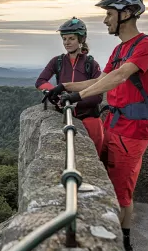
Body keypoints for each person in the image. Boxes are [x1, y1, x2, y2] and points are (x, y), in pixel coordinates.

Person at [45, 0, 148, 251]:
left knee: (122, 189)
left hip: (132, 130)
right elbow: (102, 78)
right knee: (107, 180)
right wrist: (65, 87)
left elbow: (119, 77)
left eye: (109, 14)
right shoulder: (120, 49)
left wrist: (78, 97)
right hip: (114, 123)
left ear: (127, 13)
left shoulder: (146, 46)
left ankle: (123, 241)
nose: (105, 19)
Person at [35, 17, 104, 156]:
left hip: (89, 118)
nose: (67, 43)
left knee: (94, 157)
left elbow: (97, 94)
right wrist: (54, 91)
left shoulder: (91, 64)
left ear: (81, 39)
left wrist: (75, 101)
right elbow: (41, 81)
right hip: (64, 115)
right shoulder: (58, 61)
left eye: (71, 38)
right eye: (64, 39)